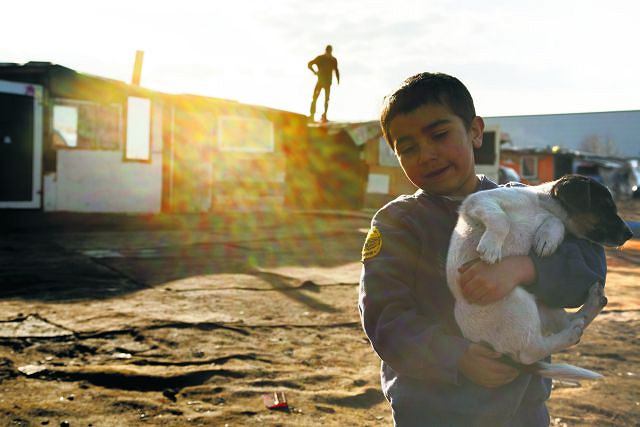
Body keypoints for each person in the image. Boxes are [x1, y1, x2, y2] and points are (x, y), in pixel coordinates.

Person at [358, 72, 606, 426]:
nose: (426, 154)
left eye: (439, 135)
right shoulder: (400, 224)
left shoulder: (526, 202)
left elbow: (589, 268)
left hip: (522, 409)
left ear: (475, 131)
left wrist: (525, 268)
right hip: (433, 410)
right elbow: (385, 318)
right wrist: (456, 357)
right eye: (407, 147)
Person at [308, 45, 340, 122]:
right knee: (315, 98)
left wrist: (338, 80)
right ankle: (312, 115)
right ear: (326, 51)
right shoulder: (320, 58)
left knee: (326, 99)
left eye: (330, 52)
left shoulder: (333, 60)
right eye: (328, 52)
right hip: (320, 82)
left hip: (328, 83)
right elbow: (309, 64)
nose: (329, 53)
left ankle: (324, 115)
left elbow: (336, 70)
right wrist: (314, 72)